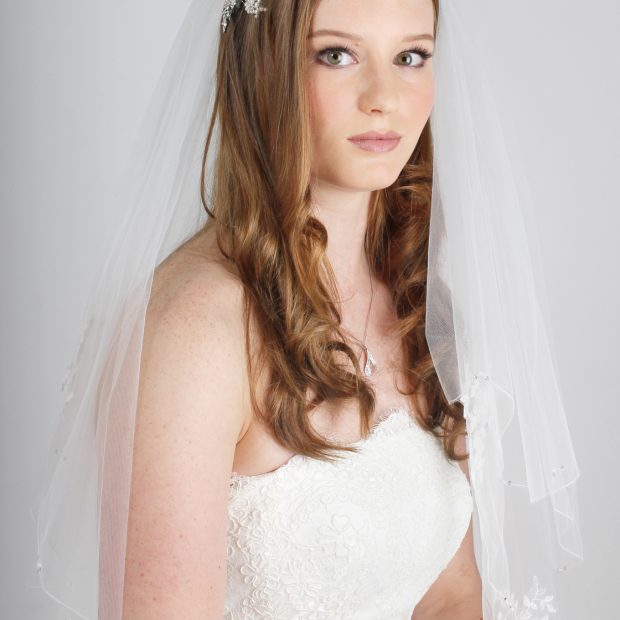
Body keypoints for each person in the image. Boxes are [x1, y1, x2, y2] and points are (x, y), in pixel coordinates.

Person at [32, 0, 583, 618]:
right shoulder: (196, 330)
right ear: (263, 67)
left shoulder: (416, 297)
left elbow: (448, 595)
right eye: (336, 54)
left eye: (411, 56)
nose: (384, 98)